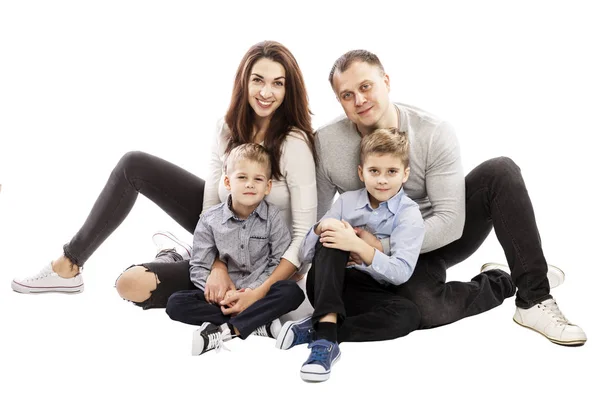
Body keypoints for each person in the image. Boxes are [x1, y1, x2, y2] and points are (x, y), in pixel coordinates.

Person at [11, 41, 318, 315]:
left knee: (131, 285)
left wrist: (259, 292)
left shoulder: (294, 144)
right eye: (258, 80)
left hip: (269, 261)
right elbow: (211, 205)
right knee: (134, 164)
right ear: (244, 82)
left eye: (277, 83)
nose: (266, 92)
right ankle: (68, 265)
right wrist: (216, 263)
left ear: (288, 90)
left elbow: (303, 233)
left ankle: (177, 256)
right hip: (224, 237)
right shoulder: (227, 129)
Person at [309, 49, 586, 346]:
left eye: (365, 87)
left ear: (386, 81)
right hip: (371, 257)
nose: (359, 100)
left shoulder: (433, 132)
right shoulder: (326, 142)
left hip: (436, 237)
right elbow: (318, 217)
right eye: (347, 95)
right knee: (423, 309)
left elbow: (451, 220)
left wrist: (382, 246)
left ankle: (533, 296)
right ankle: (502, 279)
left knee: (500, 171)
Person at [277, 128, 426, 382]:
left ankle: (321, 328)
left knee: (409, 315)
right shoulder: (346, 201)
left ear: (405, 174)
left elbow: (401, 273)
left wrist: (360, 248)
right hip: (328, 285)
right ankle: (324, 345)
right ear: (361, 173)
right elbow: (305, 253)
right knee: (334, 234)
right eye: (374, 171)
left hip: (369, 291)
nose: (382, 180)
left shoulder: (409, 214)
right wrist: (321, 228)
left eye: (391, 172)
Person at [165, 143, 305, 355]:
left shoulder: (273, 218)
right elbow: (199, 265)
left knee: (291, 292)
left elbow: (278, 261)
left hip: (259, 294)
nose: (250, 184)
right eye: (242, 177)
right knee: (175, 303)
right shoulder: (210, 220)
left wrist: (252, 294)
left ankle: (225, 329)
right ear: (228, 182)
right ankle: (258, 324)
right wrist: (227, 295)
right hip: (222, 298)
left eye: (258, 179)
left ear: (267, 187)